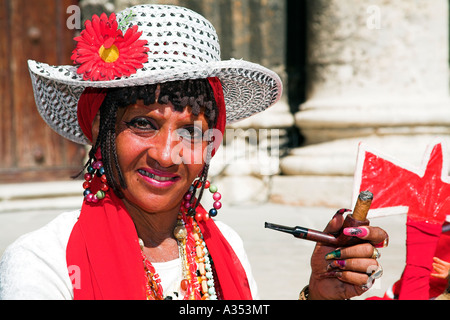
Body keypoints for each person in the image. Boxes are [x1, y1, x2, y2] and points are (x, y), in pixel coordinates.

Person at [0, 4, 388, 300]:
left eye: (190, 131)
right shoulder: (43, 259)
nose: (167, 155)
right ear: (102, 132)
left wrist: (319, 293)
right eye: (143, 124)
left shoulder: (225, 247)